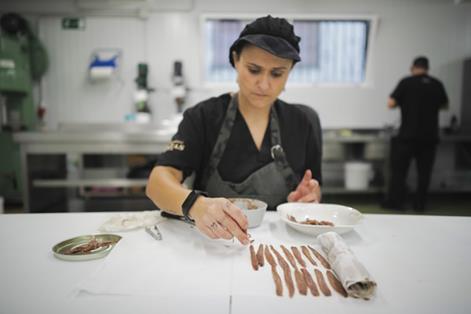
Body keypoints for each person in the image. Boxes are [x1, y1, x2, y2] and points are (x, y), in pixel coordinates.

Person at [146, 15, 322, 245]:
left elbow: (316, 191)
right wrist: (195, 205)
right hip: (214, 245)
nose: (264, 84)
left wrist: (307, 198)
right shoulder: (202, 117)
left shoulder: (303, 121)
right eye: (254, 69)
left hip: (283, 247)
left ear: (290, 72)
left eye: (277, 73)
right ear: (235, 60)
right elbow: (158, 182)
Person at [383, 56, 448, 211]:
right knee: (424, 174)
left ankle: (396, 203)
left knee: (399, 172)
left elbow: (390, 103)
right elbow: (445, 105)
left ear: (413, 68)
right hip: (429, 138)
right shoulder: (437, 84)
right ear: (427, 68)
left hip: (407, 137)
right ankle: (420, 205)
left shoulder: (406, 82)